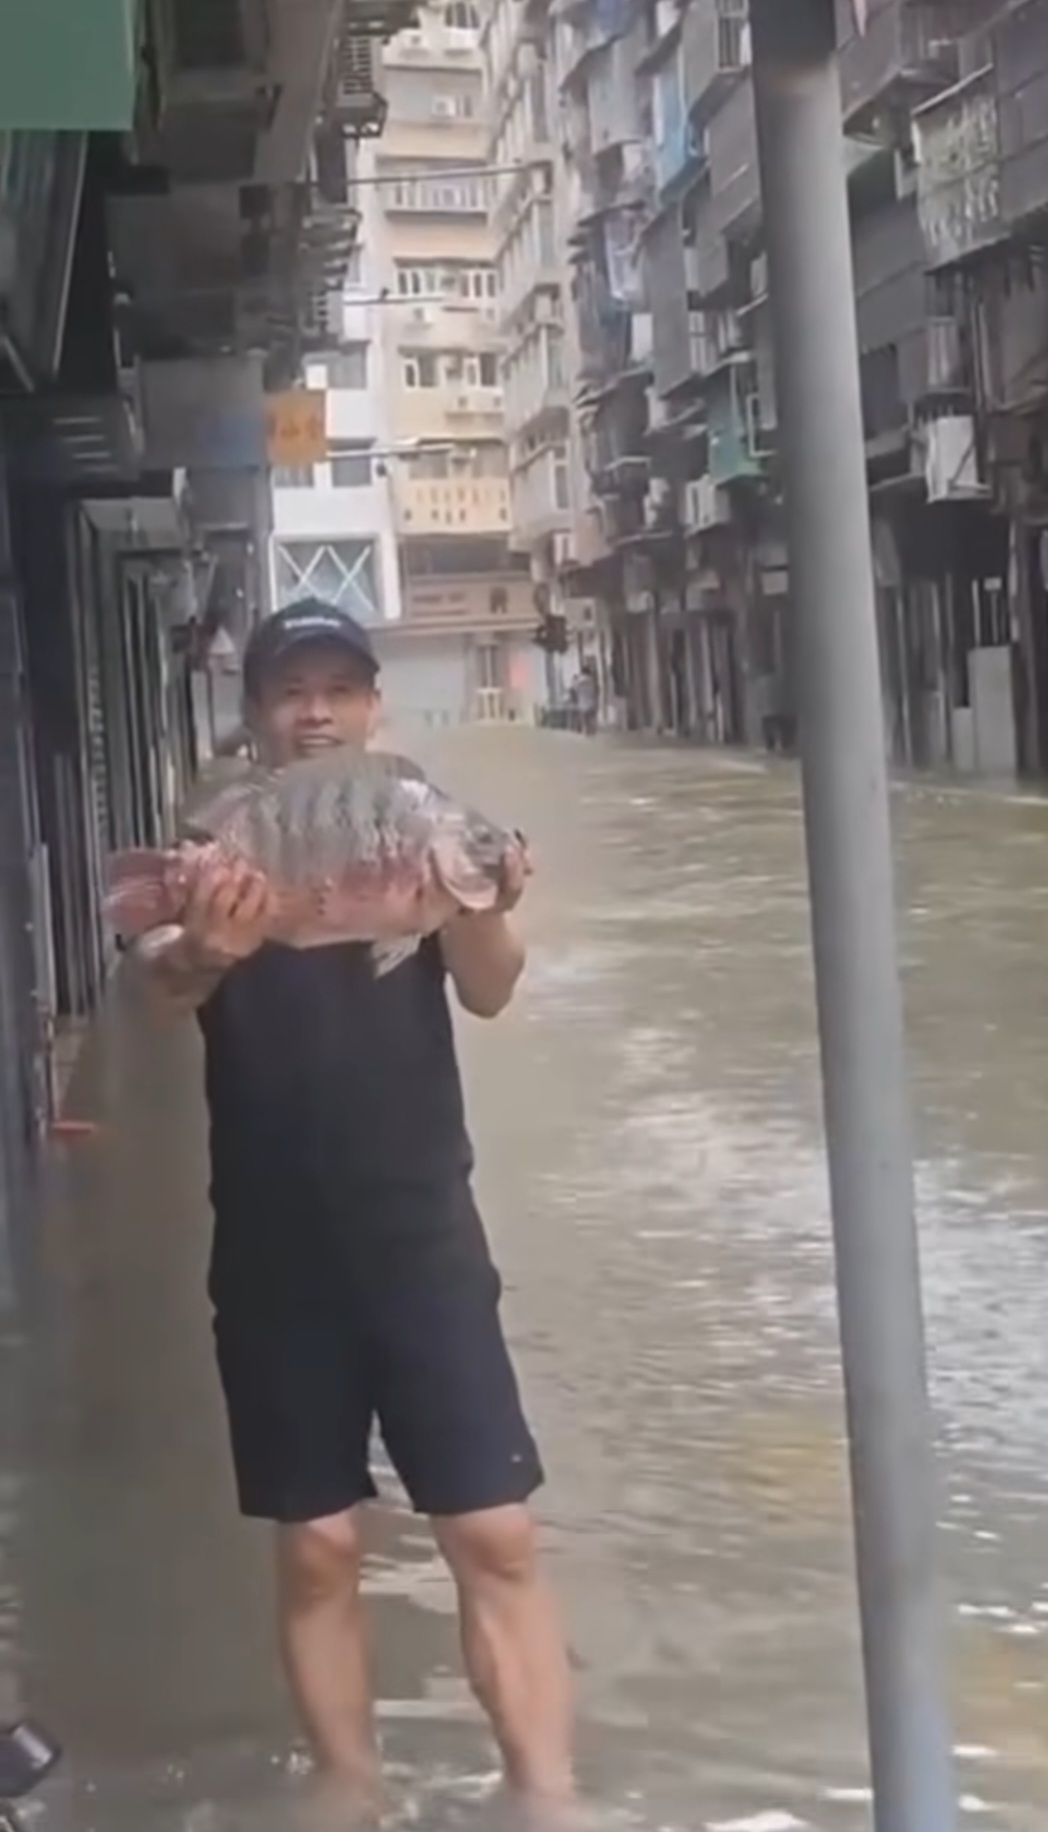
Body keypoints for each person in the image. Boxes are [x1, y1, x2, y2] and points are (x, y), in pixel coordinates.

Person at [134, 597, 574, 1817]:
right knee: (318, 1542)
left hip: (422, 1232)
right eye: (292, 690)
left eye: (338, 688)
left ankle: (545, 1795)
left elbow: (492, 990)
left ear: (375, 705)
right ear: (257, 713)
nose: (316, 710)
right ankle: (347, 1778)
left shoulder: (415, 819)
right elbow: (158, 989)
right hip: (272, 1245)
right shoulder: (221, 841)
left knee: (495, 1530)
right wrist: (211, 946)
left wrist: (480, 901)